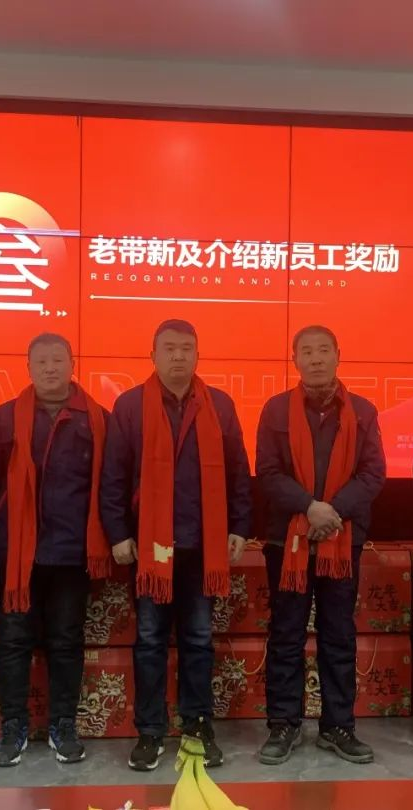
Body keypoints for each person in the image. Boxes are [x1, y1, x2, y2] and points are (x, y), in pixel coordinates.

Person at [100, 319, 252, 771]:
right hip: (149, 549)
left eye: (187, 348)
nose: (178, 356)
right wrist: (117, 533)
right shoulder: (130, 406)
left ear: (198, 355)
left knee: (199, 640)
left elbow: (238, 472)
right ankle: (150, 731)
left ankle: (197, 726)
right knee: (149, 640)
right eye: (169, 348)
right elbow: (113, 476)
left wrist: (239, 526)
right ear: (153, 356)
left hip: (202, 546)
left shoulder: (219, 405)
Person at [0, 333, 110, 766]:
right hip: (16, 555)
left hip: (72, 554)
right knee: (13, 642)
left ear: (72, 364)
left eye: (57, 360)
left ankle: (64, 724)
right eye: (41, 361)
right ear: (28, 368)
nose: (50, 368)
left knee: (66, 641)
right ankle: (13, 726)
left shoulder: (97, 419)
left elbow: (113, 487)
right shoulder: (5, 418)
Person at [255, 325, 386, 765]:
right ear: (294, 360)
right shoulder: (275, 410)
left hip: (342, 539)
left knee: (338, 635)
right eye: (306, 352)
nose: (315, 359)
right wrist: (309, 507)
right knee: (286, 634)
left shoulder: (363, 411)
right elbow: (268, 472)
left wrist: (331, 512)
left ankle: (337, 726)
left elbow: (373, 474)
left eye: (323, 350)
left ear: (337, 355)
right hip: (286, 540)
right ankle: (284, 724)